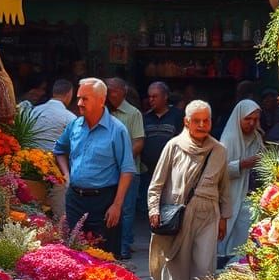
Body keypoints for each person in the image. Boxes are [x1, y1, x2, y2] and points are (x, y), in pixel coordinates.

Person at [148, 100, 231, 280]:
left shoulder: (219, 150)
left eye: (206, 121)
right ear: (186, 122)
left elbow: (224, 188)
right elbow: (156, 184)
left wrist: (224, 217)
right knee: (176, 263)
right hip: (179, 214)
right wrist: (154, 209)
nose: (202, 125)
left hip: (208, 215)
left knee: (204, 265)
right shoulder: (173, 146)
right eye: (197, 121)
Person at [53, 77, 136, 258]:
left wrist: (117, 204)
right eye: (78, 98)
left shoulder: (117, 129)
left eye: (85, 99)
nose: (79, 103)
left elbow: (127, 169)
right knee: (73, 253)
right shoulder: (74, 125)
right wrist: (67, 175)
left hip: (104, 201)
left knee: (105, 256)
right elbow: (59, 150)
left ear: (101, 100)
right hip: (75, 199)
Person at [218, 98, 264, 265]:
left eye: (255, 119)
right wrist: (242, 164)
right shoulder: (229, 139)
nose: (251, 123)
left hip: (249, 194)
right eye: (247, 119)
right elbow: (218, 171)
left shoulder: (256, 137)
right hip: (231, 193)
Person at [106, 77, 145, 261]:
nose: (109, 94)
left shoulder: (133, 113)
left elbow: (139, 142)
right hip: (107, 171)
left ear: (123, 91)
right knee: (108, 207)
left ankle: (123, 247)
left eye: (112, 90)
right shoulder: (102, 111)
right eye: (107, 90)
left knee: (126, 210)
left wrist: (123, 160)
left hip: (128, 171)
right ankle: (107, 246)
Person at [31, 79, 76, 219]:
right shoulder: (70, 118)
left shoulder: (34, 111)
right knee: (59, 213)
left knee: (32, 209)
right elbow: (75, 148)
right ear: (69, 94)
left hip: (29, 166)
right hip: (56, 171)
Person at [140, 81, 183, 212]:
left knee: (170, 209)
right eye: (149, 97)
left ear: (165, 97)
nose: (151, 100)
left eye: (155, 96)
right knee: (150, 209)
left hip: (172, 171)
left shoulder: (178, 115)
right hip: (149, 172)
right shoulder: (145, 118)